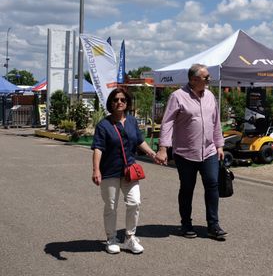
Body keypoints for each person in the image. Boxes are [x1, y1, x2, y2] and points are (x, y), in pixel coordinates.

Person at [155, 63, 227, 240]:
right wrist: (163, 148)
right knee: (187, 188)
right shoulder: (178, 97)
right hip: (185, 152)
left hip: (209, 151)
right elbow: (168, 123)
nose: (209, 80)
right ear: (194, 79)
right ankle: (186, 224)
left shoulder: (210, 96)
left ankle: (213, 225)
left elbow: (216, 122)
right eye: (206, 77)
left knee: (212, 185)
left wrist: (219, 145)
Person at [92, 87, 158, 254]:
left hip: (129, 170)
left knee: (135, 202)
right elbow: (98, 148)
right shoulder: (103, 125)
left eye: (123, 100)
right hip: (109, 171)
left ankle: (129, 237)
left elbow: (139, 141)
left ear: (127, 103)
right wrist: (96, 170)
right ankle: (111, 238)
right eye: (115, 100)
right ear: (110, 103)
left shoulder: (132, 121)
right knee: (111, 206)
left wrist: (152, 153)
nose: (119, 102)